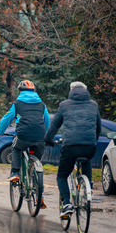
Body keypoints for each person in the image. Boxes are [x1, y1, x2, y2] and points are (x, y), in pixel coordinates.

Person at [45, 81, 101, 217]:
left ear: (71, 91)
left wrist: (48, 140)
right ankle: (89, 188)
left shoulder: (64, 105)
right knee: (86, 159)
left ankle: (66, 203)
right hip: (89, 146)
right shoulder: (93, 105)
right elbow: (98, 127)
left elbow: (54, 126)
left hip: (70, 146)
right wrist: (93, 140)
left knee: (62, 176)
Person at [0, 80, 50, 181]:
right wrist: (45, 132)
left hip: (23, 136)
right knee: (36, 160)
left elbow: (6, 119)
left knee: (16, 147)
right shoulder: (42, 105)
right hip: (40, 137)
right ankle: (38, 190)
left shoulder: (17, 104)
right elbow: (47, 120)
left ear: (20, 91)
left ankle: (15, 172)